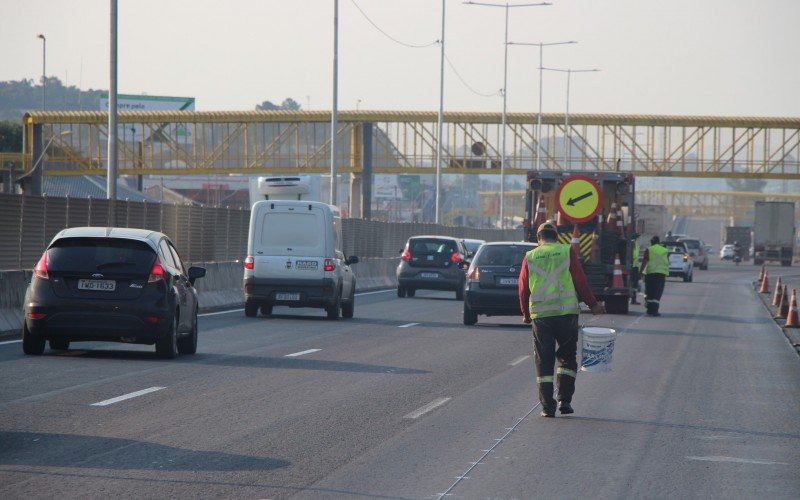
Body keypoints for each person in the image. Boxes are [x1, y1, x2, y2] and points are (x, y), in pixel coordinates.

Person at [518, 222, 605, 418]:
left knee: (544, 361)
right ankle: (565, 400)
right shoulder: (566, 251)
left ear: (538, 238)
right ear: (556, 237)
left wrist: (525, 313)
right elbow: (580, 281)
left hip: (541, 318)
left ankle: (547, 407)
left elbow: (523, 288)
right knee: (567, 357)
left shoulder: (530, 256)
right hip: (566, 315)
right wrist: (593, 305)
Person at [640, 236, 669, 316]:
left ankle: (649, 309)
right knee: (657, 292)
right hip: (661, 274)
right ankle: (655, 310)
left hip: (650, 274)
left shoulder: (649, 250)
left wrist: (641, 272)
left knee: (649, 292)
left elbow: (644, 261)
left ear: (651, 242)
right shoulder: (664, 250)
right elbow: (667, 262)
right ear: (659, 242)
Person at [630, 235, 641, 304]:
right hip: (633, 266)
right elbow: (635, 256)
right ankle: (633, 299)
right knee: (634, 284)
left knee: (634, 284)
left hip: (634, 265)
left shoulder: (636, 244)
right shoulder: (633, 244)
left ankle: (633, 299)